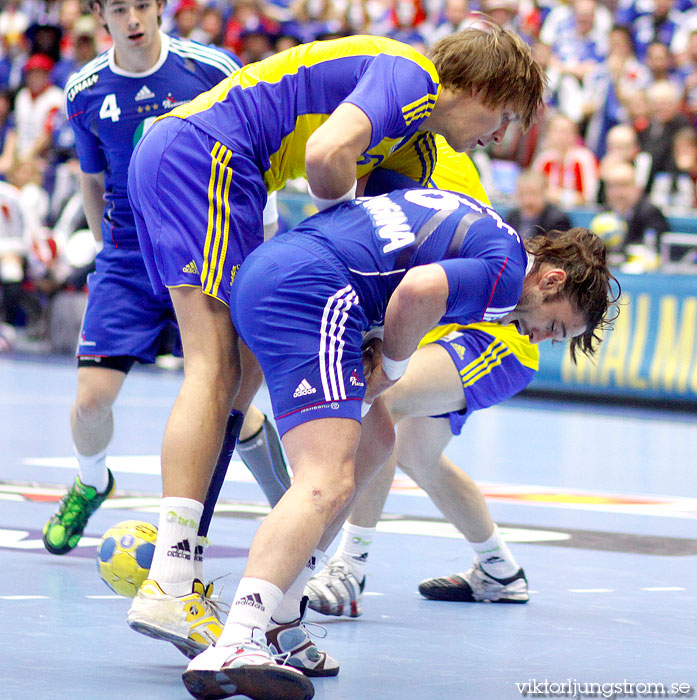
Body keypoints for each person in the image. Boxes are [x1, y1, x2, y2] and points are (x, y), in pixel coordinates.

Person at [127, 23, 546, 671]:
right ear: (477, 86)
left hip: (213, 163)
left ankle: (215, 590)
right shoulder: (410, 75)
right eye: (504, 114)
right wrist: (325, 256)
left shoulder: (416, 152)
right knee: (213, 369)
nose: (500, 136)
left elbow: (383, 246)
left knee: (236, 378)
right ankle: (173, 576)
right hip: (208, 152)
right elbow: (326, 155)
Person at [180, 188, 615, 700]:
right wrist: (391, 366)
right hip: (311, 291)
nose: (541, 337)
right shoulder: (504, 277)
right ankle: (240, 636)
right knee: (324, 479)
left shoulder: (492, 232)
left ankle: (281, 618)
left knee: (378, 439)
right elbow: (418, 290)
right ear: (552, 278)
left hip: (285, 270)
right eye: (554, 326)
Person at [41, 0, 290, 659]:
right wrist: (106, 250)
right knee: (91, 401)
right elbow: (92, 180)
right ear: (101, 15)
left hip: (205, 241)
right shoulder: (86, 89)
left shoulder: (210, 68)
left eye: (143, 6)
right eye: (119, 8)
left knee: (227, 400)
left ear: (158, 9)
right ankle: (92, 480)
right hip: (127, 256)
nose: (133, 19)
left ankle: (292, 512)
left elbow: (255, 159)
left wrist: (258, 249)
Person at [305, 319, 540, 616]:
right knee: (417, 455)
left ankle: (351, 567)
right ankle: (500, 570)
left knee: (381, 397)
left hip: (495, 339)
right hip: (440, 332)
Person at [505, 169, 572, 239]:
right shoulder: (512, 217)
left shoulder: (557, 220)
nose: (527, 200)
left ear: (544, 192)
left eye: (533, 194)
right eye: (522, 194)